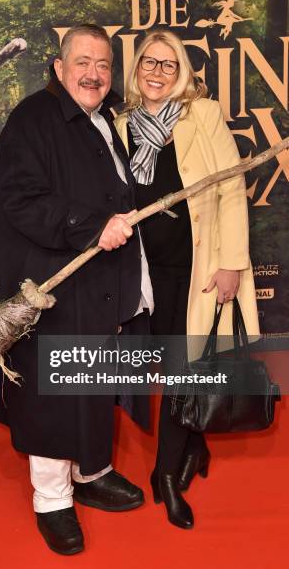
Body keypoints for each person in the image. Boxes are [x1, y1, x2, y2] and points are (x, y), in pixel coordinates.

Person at [0, 23, 154, 555]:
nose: (94, 73)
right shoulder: (32, 119)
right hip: (52, 286)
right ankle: (52, 500)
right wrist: (93, 225)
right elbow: (21, 200)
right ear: (59, 68)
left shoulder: (102, 119)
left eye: (104, 65)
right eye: (82, 62)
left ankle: (91, 473)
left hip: (97, 283)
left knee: (92, 381)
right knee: (54, 390)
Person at [115, 28, 259, 529]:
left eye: (167, 64)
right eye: (148, 64)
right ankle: (194, 444)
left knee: (182, 370)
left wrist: (230, 263)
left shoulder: (203, 114)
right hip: (142, 275)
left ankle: (166, 476)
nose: (156, 72)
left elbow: (232, 190)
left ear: (181, 74)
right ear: (137, 71)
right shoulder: (120, 125)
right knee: (167, 368)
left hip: (195, 269)